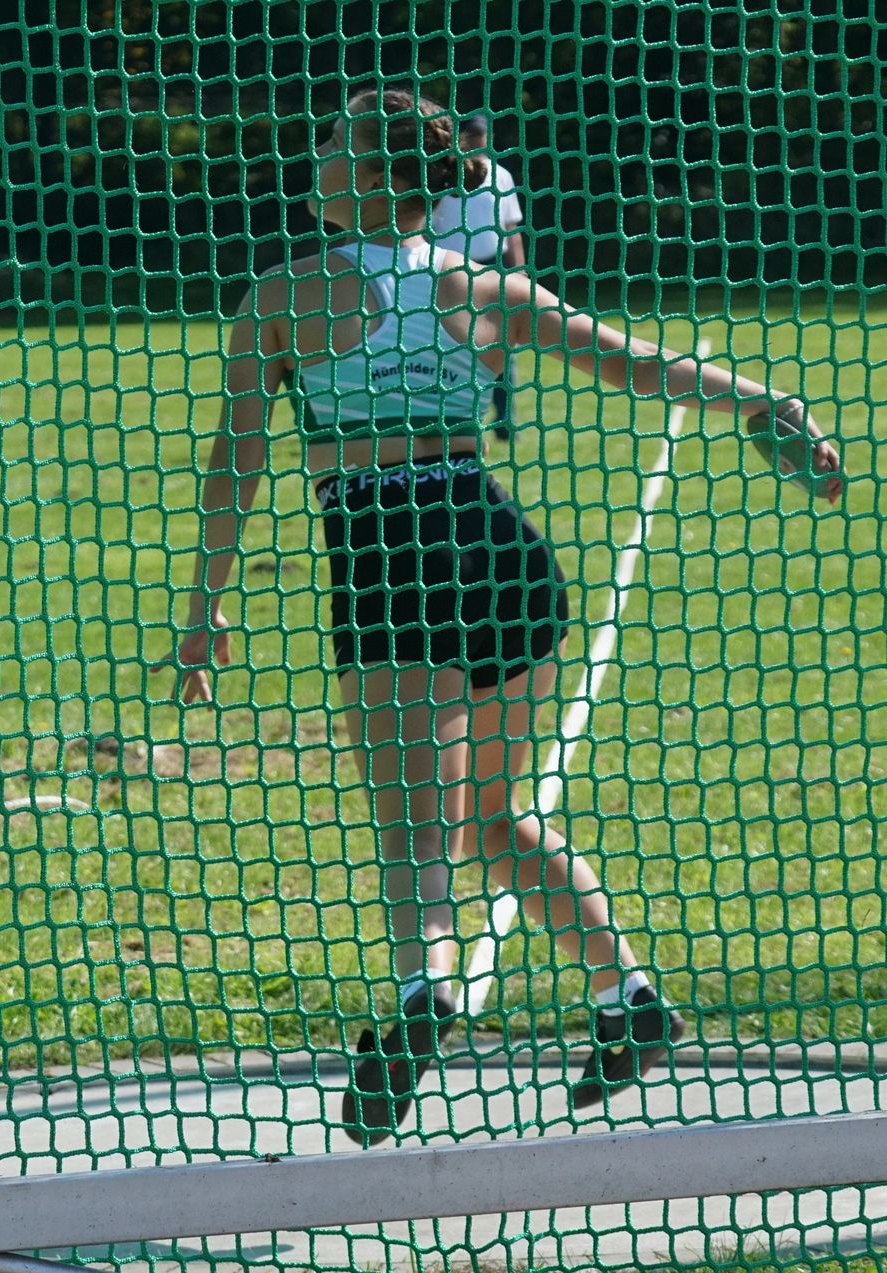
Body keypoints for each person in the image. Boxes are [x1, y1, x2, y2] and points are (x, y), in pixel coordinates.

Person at [157, 87, 843, 1147]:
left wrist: (203, 613)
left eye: (335, 140)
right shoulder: (483, 288)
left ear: (375, 175)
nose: (317, 150)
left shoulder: (284, 295)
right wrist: (762, 399)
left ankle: (424, 995)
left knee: (414, 833)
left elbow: (231, 464)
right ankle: (628, 998)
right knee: (490, 819)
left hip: (391, 557)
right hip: (505, 555)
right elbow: (634, 363)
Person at [428, 114, 525, 441]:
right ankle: (451, 418)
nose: (476, 141)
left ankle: (505, 419)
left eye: (481, 135)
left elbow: (510, 229)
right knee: (450, 345)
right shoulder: (445, 177)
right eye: (470, 135)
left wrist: (518, 271)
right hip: (450, 270)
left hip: (493, 266)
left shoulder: (501, 176)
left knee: (501, 345)